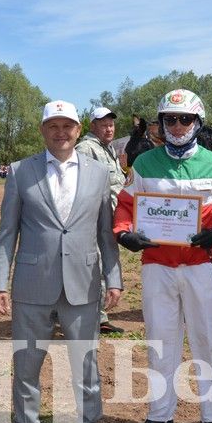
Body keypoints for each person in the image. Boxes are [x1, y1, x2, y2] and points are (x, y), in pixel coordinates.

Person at [0, 100, 122, 423]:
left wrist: (115, 277)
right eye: (54, 126)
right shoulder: (21, 171)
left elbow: (105, 233)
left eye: (68, 126)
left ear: (79, 130)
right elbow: (7, 232)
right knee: (28, 359)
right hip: (33, 282)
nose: (61, 133)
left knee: (86, 359)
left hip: (83, 280)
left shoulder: (97, 172)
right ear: (43, 130)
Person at [114, 88, 212, 423]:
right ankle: (159, 415)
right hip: (158, 265)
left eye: (185, 119)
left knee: (209, 342)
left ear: (198, 122)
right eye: (171, 118)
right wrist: (124, 234)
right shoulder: (143, 164)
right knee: (160, 341)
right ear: (162, 122)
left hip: (202, 266)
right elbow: (124, 205)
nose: (178, 125)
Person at [76, 106, 125, 334]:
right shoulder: (86, 148)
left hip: (111, 217)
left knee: (104, 263)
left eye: (111, 124)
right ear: (92, 126)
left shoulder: (109, 149)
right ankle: (96, 317)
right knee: (95, 265)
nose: (109, 128)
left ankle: (96, 315)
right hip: (94, 218)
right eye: (104, 124)